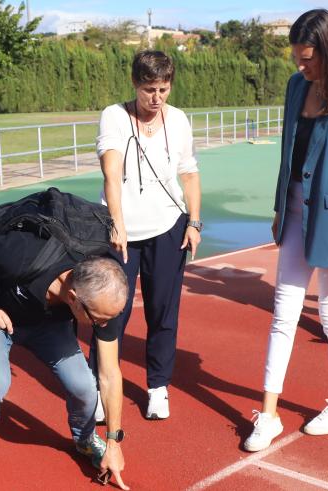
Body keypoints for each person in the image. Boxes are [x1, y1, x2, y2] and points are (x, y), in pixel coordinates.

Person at [243, 9, 328, 452]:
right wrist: (280, 209)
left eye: (308, 59)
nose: (301, 67)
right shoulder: (295, 87)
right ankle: (267, 413)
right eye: (298, 59)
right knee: (283, 313)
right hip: (297, 214)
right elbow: (288, 155)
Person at [0, 229, 132, 491]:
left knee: (83, 385)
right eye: (98, 320)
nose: (103, 325)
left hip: (46, 323)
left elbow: (109, 374)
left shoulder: (103, 299)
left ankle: (85, 438)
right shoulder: (21, 254)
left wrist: (114, 442)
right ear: (74, 299)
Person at [92, 50, 202, 421]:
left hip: (169, 228)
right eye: (149, 89)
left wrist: (195, 222)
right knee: (112, 313)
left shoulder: (180, 119)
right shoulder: (115, 116)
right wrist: (117, 222)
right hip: (122, 232)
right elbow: (111, 173)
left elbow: (188, 172)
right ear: (135, 84)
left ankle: (158, 387)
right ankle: (100, 388)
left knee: (163, 312)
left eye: (164, 89)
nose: (156, 98)